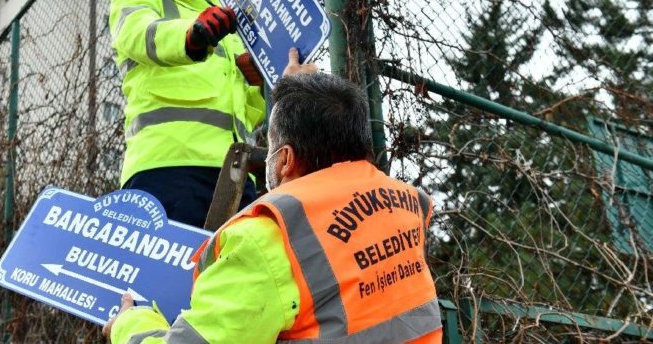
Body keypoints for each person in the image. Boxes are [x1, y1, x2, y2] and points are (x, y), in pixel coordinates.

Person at [104, 72, 442, 343]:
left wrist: (129, 325)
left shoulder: (270, 237)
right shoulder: (404, 206)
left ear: (285, 159)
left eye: (270, 145)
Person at [108, 0, 268, 228]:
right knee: (177, 275)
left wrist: (259, 84)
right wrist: (191, 36)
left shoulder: (226, 15)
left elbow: (248, 111)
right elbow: (140, 35)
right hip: (168, 166)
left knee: (241, 273)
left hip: (234, 170)